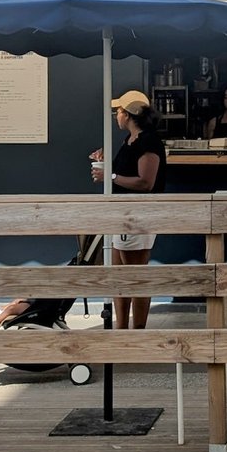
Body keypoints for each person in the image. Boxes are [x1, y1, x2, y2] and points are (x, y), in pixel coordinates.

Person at [89, 89, 166, 330]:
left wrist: (110, 176)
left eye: (119, 112)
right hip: (122, 214)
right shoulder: (130, 140)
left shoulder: (147, 142)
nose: (116, 116)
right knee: (120, 275)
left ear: (130, 114)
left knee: (135, 276)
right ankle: (122, 330)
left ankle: (137, 331)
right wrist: (106, 164)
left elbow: (145, 182)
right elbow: (124, 172)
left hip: (137, 216)